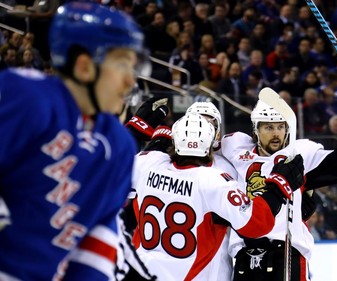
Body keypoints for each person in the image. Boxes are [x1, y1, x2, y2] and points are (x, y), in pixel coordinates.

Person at [0, 2, 146, 280]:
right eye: (122, 65)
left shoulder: (120, 147)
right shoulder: (26, 96)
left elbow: (96, 240)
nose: (130, 81)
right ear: (84, 66)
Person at [131, 112, 305, 281]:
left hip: (142, 272)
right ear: (210, 144)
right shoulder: (213, 180)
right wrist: (278, 185)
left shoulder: (148, 163)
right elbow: (257, 223)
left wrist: (138, 128)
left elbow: (109, 172)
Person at [220, 88, 337, 281]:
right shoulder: (236, 148)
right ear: (256, 130)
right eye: (268, 127)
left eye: (280, 127)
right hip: (244, 254)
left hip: (286, 254)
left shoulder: (298, 154)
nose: (276, 134)